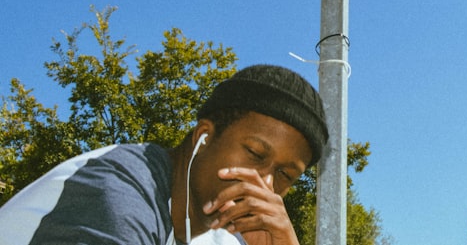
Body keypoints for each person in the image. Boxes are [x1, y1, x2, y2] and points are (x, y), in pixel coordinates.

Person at [0, 64, 328, 245]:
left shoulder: (224, 239)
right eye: (255, 152)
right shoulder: (114, 193)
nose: (264, 183)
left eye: (285, 175)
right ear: (203, 137)